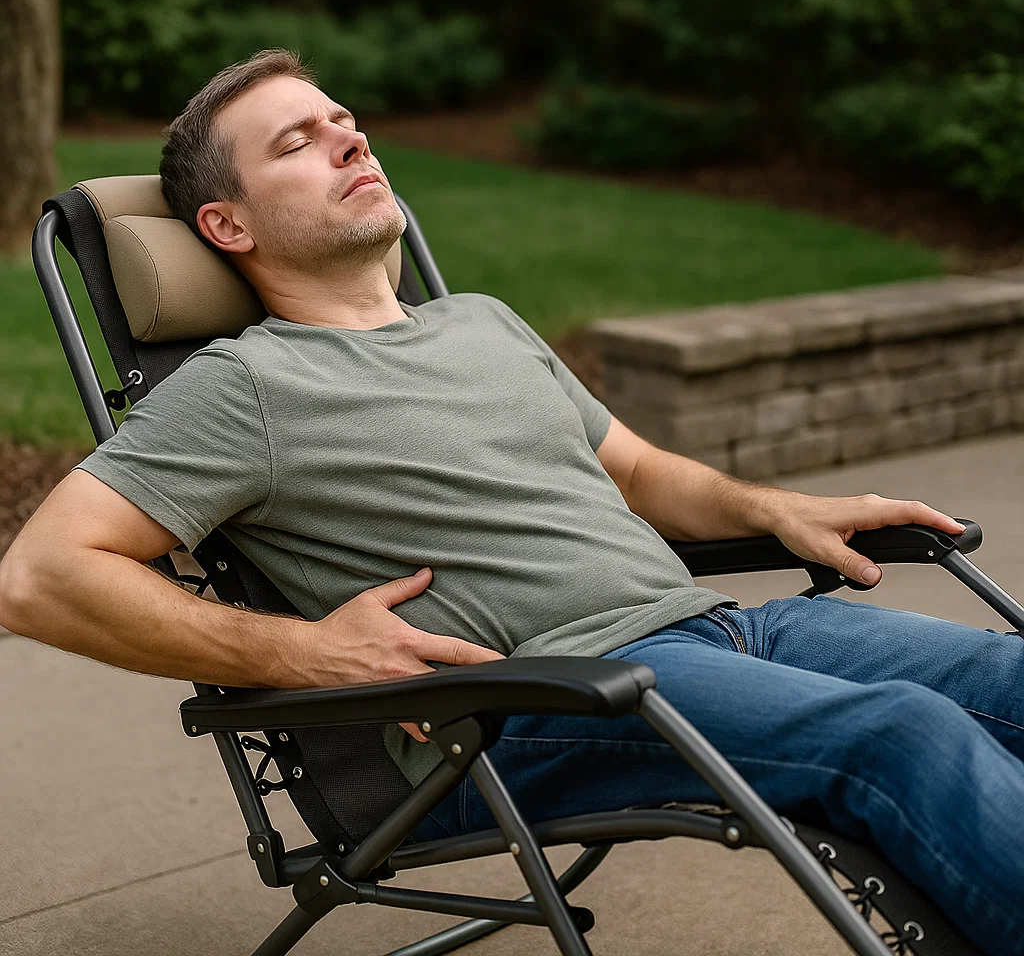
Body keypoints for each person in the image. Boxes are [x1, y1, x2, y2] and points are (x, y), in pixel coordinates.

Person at [1, 49, 1021, 955]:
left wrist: (774, 508)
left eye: (345, 123)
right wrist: (301, 653)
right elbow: (39, 576)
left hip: (733, 633)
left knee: (1006, 675)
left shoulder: (482, 322)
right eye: (299, 142)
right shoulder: (245, 386)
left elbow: (635, 470)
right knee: (901, 738)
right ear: (225, 223)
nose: (348, 140)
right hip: (549, 700)